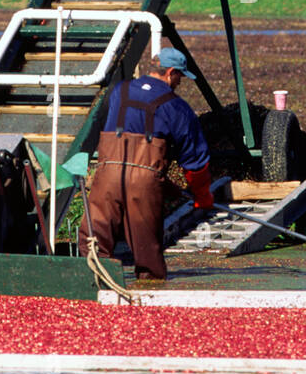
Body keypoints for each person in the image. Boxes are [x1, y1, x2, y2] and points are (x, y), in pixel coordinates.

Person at [79, 47, 212, 280]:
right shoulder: (177, 107)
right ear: (170, 73)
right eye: (180, 76)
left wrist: (167, 185)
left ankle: (92, 284)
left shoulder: (120, 91)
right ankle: (150, 292)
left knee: (94, 235)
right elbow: (195, 161)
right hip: (144, 182)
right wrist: (202, 197)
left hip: (107, 174)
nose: (179, 82)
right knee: (146, 247)